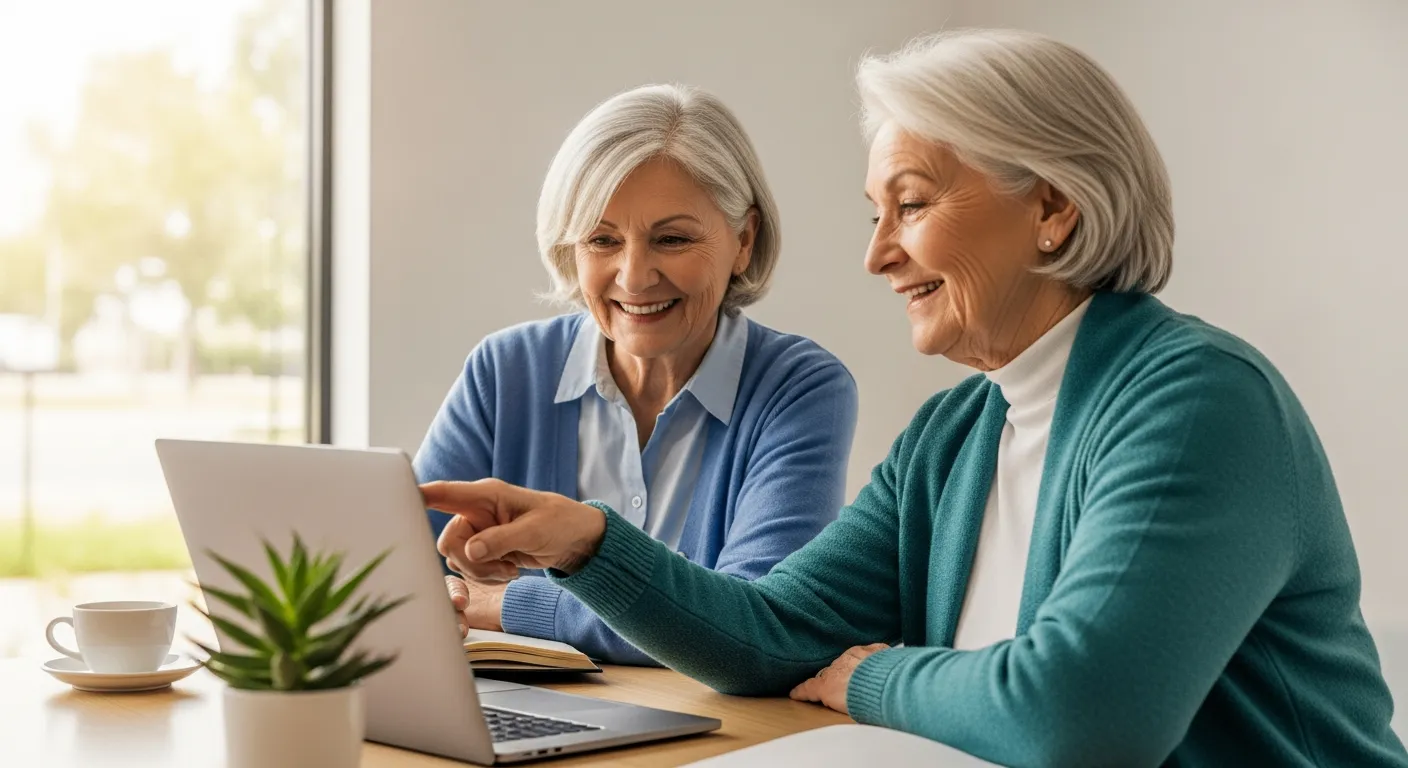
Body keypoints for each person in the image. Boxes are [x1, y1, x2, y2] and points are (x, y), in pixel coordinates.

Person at [423, 30, 1408, 767]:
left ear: (1053, 210)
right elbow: (768, 636)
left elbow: (1079, 719)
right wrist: (589, 545)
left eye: (913, 203)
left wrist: (872, 677)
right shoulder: (957, 432)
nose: (875, 252)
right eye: (873, 212)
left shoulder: (1197, 403)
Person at [414, 84, 859, 666]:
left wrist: (505, 605)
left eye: (671, 239)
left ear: (743, 240)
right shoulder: (505, 370)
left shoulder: (800, 390)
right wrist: (447, 595)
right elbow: (394, 578)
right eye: (602, 240)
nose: (634, 276)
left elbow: (753, 627)